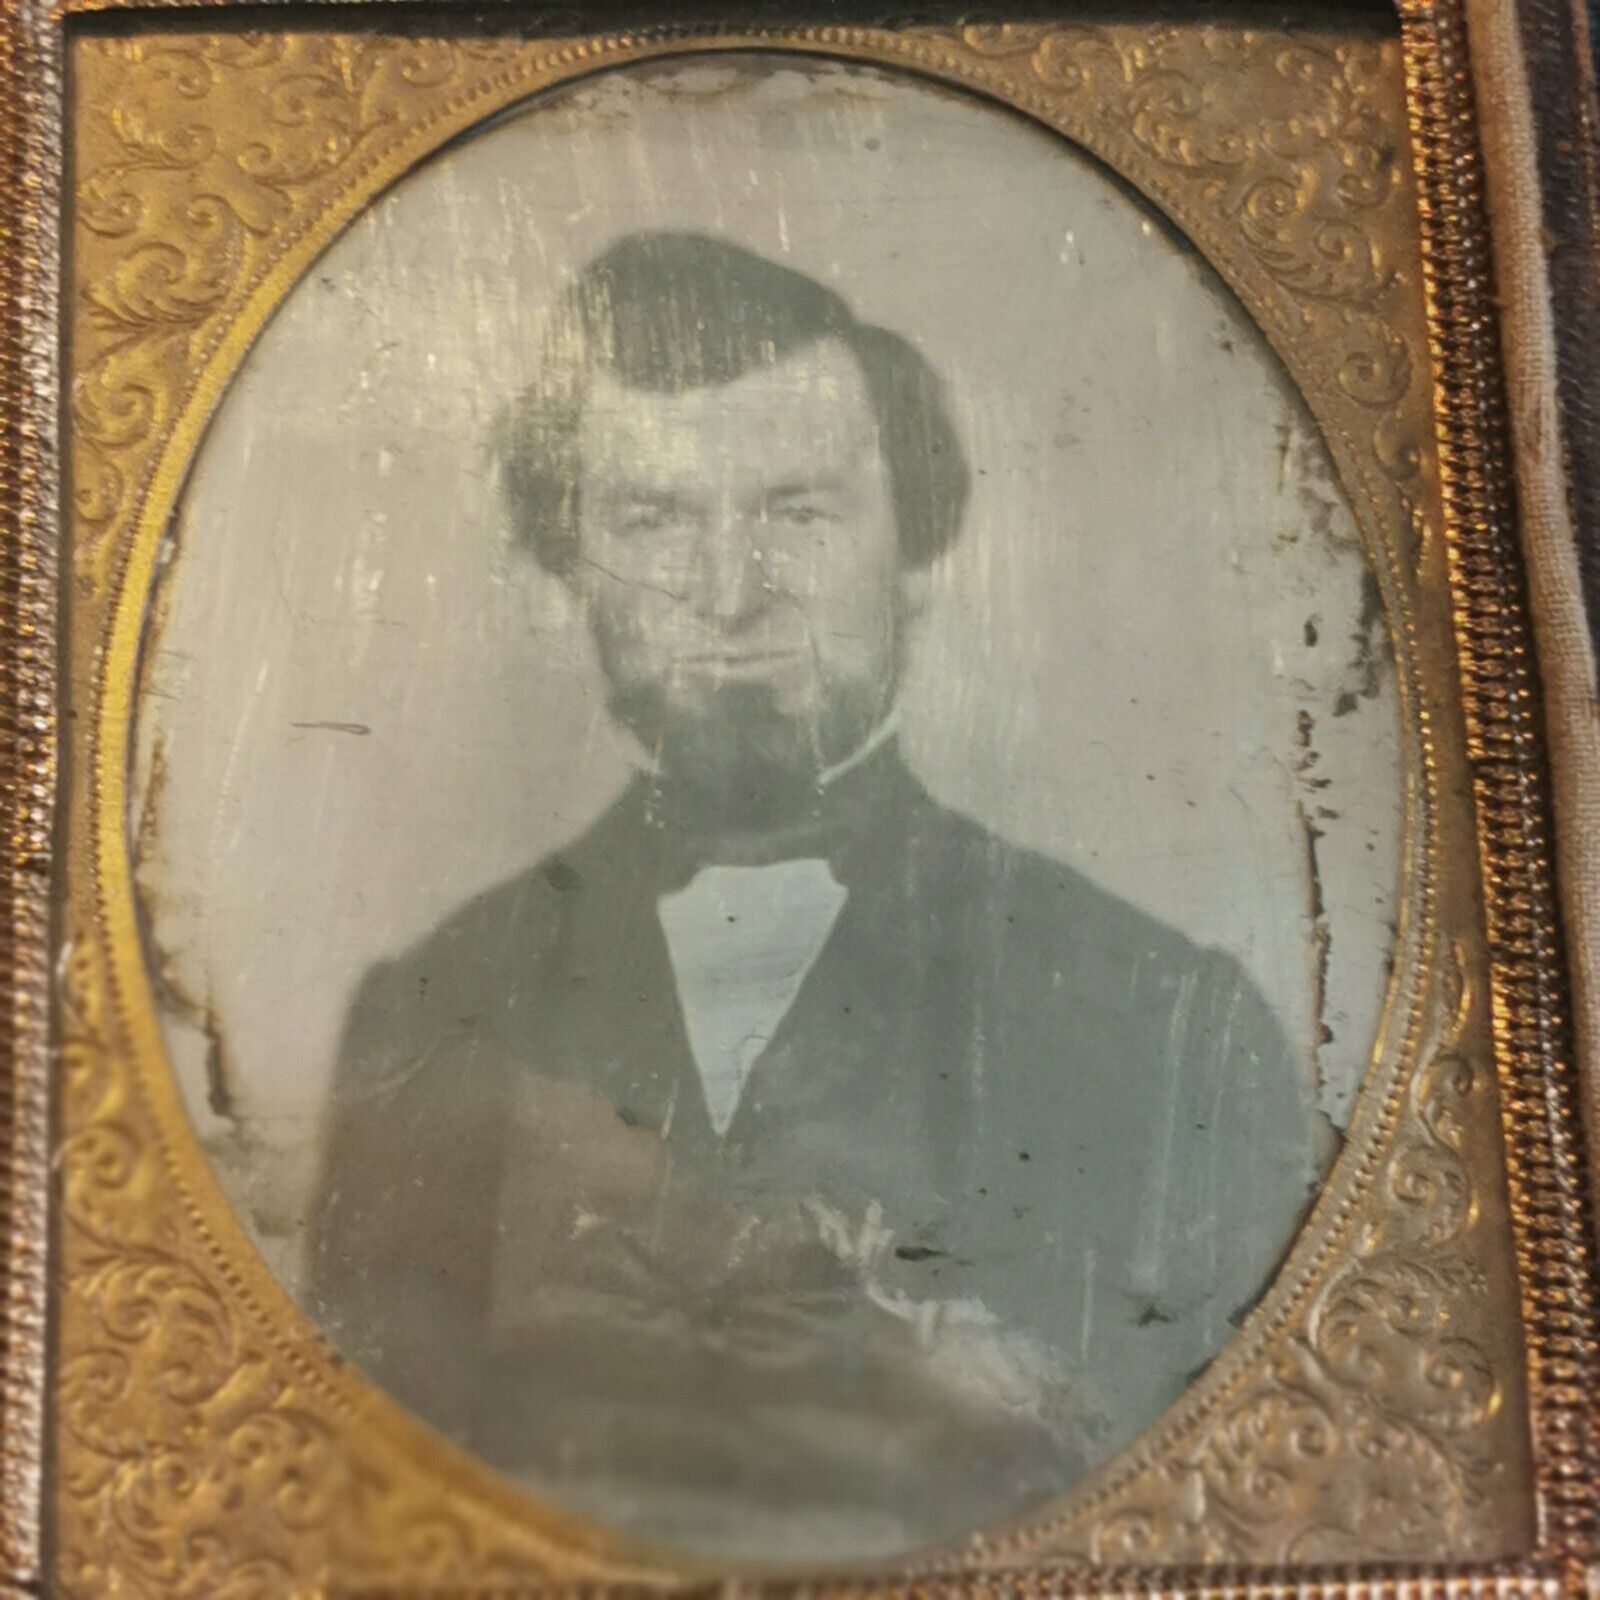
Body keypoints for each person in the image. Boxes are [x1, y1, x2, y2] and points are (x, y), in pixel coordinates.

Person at [306, 231, 1332, 1560]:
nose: (729, 597)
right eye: (654, 520)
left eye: (799, 513)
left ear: (912, 549)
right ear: (568, 569)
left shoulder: (1166, 1017)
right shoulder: (426, 1015)